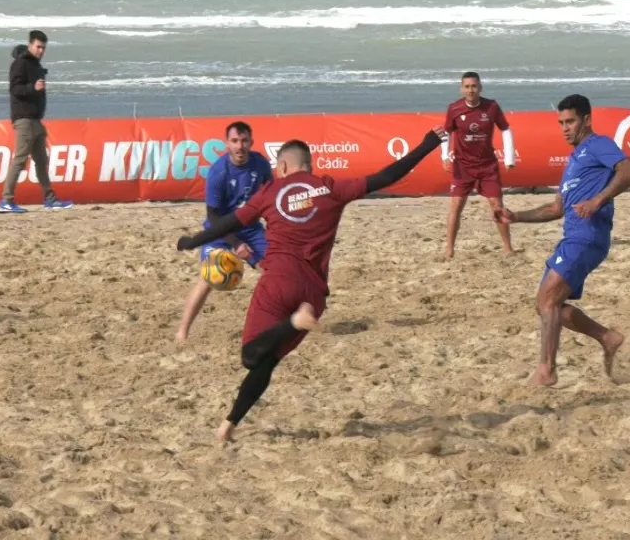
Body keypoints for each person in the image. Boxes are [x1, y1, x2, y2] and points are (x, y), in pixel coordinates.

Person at [176, 126, 447, 441]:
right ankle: (228, 426)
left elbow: (228, 222)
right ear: (310, 165)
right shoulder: (330, 187)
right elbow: (387, 176)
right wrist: (427, 144)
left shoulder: (269, 192)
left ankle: (293, 322)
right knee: (269, 359)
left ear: (285, 167)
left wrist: (194, 240)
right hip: (314, 294)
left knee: (251, 355)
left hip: (278, 283)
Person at [496, 94, 630, 387]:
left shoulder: (598, 144)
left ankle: (546, 371)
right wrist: (516, 216)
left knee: (547, 299)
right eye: (561, 122)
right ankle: (607, 337)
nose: (564, 128)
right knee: (548, 306)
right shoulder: (572, 162)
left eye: (570, 121)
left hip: (587, 237)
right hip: (571, 238)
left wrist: (598, 200)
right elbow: (555, 208)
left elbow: (629, 170)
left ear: (586, 120)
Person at [175, 121, 274, 341]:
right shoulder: (219, 172)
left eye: (244, 141)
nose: (240, 146)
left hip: (251, 228)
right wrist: (236, 243)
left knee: (273, 272)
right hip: (219, 230)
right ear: (226, 143)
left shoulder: (261, 165)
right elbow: (213, 216)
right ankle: (182, 332)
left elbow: (271, 199)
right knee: (208, 278)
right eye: (235, 141)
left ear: (252, 142)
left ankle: (280, 323)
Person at [442, 71, 517, 258]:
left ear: (480, 87)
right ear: (461, 88)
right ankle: (449, 249)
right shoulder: (454, 108)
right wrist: (444, 156)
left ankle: (508, 248)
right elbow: (446, 133)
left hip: (487, 166)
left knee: (497, 205)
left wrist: (509, 158)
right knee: (456, 205)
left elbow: (506, 129)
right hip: (463, 167)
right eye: (467, 86)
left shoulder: (491, 106)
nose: (470, 90)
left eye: (474, 86)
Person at [0, 30, 72, 213]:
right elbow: (14, 89)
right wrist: (33, 87)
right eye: (38, 47)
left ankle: (50, 198)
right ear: (30, 44)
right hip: (24, 119)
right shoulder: (20, 63)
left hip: (36, 120)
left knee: (41, 160)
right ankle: (6, 200)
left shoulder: (36, 65)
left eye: (43, 48)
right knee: (20, 160)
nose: (41, 51)